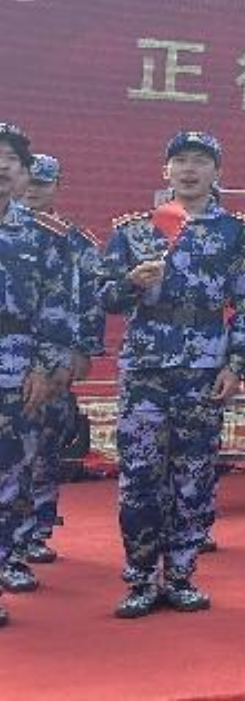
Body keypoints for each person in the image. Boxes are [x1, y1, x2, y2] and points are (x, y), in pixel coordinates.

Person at [101, 131, 245, 617]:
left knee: (194, 474)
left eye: (200, 161)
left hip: (204, 369)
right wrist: (130, 283)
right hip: (146, 369)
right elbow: (103, 297)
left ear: (217, 172)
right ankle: (140, 577)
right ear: (165, 170)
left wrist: (236, 365)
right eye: (180, 161)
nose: (189, 170)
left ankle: (180, 575)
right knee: (140, 475)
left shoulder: (239, 233)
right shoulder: (135, 230)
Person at [0, 124, 80, 629]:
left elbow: (58, 309)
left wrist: (45, 367)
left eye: (10, 159)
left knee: (10, 480)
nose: (1, 166)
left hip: (17, 372)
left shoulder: (43, 237)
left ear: (25, 173)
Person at [13, 153, 103, 570]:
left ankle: (36, 530)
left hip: (55, 357)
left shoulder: (74, 240)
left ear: (57, 188)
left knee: (46, 446)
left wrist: (83, 351)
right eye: (30, 182)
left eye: (43, 184)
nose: (34, 191)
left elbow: (90, 301)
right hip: (10, 352)